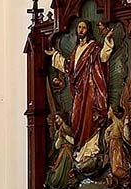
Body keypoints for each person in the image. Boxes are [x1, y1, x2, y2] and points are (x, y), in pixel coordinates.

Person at [46, 20, 114, 149]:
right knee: (77, 117)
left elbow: (103, 58)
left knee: (89, 117)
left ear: (88, 30)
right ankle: (79, 149)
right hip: (78, 90)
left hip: (90, 88)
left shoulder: (93, 47)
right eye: (79, 27)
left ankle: (91, 148)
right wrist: (54, 55)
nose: (81, 30)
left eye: (83, 27)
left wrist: (108, 40)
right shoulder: (76, 49)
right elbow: (69, 67)